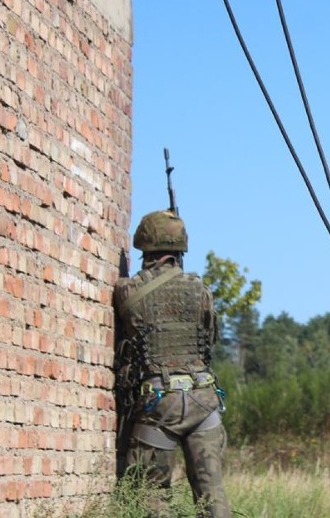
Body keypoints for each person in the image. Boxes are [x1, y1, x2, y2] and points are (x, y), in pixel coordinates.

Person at [114, 209, 231, 518]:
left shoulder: (128, 290)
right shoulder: (201, 290)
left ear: (144, 246)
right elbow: (211, 336)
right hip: (204, 400)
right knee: (212, 496)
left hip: (159, 404)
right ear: (181, 248)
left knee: (150, 495)